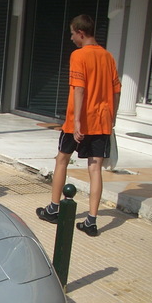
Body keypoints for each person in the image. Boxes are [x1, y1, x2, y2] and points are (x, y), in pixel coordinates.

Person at [36, 14, 121, 237]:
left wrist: (76, 122)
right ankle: (91, 221)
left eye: (73, 33)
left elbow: (80, 89)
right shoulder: (108, 57)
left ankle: (53, 209)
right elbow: (116, 90)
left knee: (62, 160)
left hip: (79, 122)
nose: (72, 38)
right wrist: (112, 118)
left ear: (81, 33)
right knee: (95, 169)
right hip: (102, 121)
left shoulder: (79, 55)